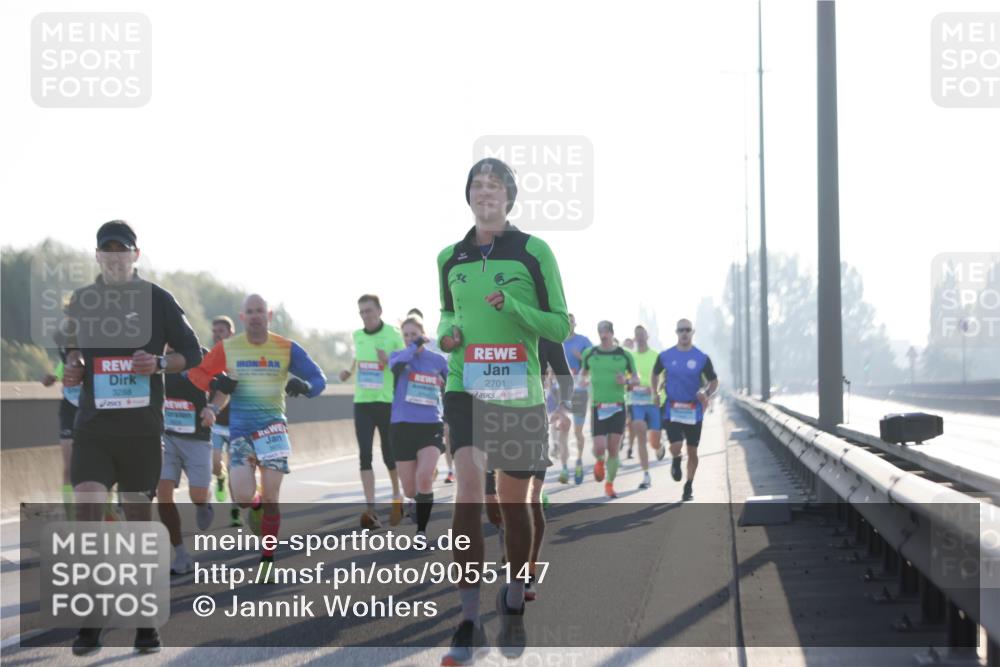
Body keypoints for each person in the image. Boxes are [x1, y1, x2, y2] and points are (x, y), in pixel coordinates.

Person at [437, 157, 570, 664]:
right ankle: (467, 617)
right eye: (477, 185)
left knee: (515, 505)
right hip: (465, 385)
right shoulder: (449, 256)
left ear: (509, 197)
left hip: (518, 393)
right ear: (468, 196)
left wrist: (511, 308)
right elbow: (449, 315)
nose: (484, 192)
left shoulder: (534, 251)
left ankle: (515, 588)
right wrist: (448, 335)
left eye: (494, 186)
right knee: (469, 496)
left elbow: (558, 325)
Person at [61, 220, 203, 656]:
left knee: (139, 528)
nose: (116, 257)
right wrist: (74, 366)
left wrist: (159, 365)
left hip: (141, 433)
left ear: (136, 256)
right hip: (94, 430)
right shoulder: (83, 302)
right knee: (87, 515)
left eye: (123, 250)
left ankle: (146, 622)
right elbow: (69, 349)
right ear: (99, 256)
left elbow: (192, 355)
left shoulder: (159, 300)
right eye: (108, 250)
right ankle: (91, 621)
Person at [187, 294, 327, 581]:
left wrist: (306, 386)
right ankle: (254, 506)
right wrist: (215, 382)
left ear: (269, 315)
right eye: (249, 312)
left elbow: (319, 378)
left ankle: (267, 559)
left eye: (259, 311)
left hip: (273, 430)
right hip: (241, 433)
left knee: (273, 496)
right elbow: (197, 374)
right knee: (242, 496)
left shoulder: (286, 348)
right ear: (242, 317)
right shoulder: (229, 347)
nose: (255, 316)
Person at [339, 295, 405, 529]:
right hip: (363, 402)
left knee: (389, 454)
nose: (366, 315)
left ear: (379, 310)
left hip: (386, 402)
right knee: (364, 454)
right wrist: (348, 371)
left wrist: (389, 361)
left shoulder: (394, 335)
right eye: (362, 312)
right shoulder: (357, 335)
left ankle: (397, 496)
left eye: (369, 310)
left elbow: (404, 365)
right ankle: (370, 508)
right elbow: (358, 358)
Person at [388, 315, 448, 540]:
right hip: (403, 427)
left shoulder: (438, 360)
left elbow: (452, 385)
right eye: (406, 335)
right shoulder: (398, 357)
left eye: (414, 334)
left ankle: (421, 531)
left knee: (424, 478)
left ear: (423, 333)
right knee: (410, 489)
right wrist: (412, 348)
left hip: (430, 425)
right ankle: (414, 500)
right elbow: (396, 366)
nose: (410, 339)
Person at [158, 346, 215, 574]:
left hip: (197, 438)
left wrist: (212, 407)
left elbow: (223, 389)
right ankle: (181, 553)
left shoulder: (199, 354)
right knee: (163, 494)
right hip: (167, 436)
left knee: (197, 495)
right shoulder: (155, 357)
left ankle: (204, 502)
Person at [650, 319, 719, 501]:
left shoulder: (701, 358)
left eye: (687, 330)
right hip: (672, 408)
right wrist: (655, 392)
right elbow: (655, 373)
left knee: (693, 451)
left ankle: (688, 485)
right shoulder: (666, 356)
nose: (684, 333)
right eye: (681, 330)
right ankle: (675, 459)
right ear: (676, 332)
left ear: (692, 332)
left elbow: (714, 381)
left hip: (693, 410)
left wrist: (706, 392)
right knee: (675, 446)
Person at [580, 321, 637, 499]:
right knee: (599, 447)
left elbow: (635, 379)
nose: (603, 336)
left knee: (613, 449)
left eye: (605, 332)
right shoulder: (590, 353)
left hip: (618, 407)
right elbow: (583, 374)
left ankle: (610, 485)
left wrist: (626, 381)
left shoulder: (624, 354)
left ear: (612, 333)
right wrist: (583, 381)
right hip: (598, 406)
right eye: (600, 332)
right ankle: (599, 462)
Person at [207, 315, 242, 527]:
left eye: (221, 331)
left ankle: (235, 512)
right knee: (214, 465)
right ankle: (218, 479)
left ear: (230, 333)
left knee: (234, 471)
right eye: (214, 331)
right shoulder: (209, 357)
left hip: (237, 424)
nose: (216, 334)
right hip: (216, 423)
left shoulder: (239, 356)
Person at [40, 331, 78, 517]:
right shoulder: (64, 339)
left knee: (102, 467)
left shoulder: (96, 338)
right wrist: (53, 377)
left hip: (95, 409)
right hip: (70, 408)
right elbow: (63, 366)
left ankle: (107, 507)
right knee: (69, 465)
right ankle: (70, 511)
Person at [628, 325, 666, 490]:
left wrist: (656, 390)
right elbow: (626, 378)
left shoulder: (656, 356)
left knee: (653, 442)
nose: (640, 337)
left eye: (642, 334)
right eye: (637, 335)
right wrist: (629, 382)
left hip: (653, 403)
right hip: (636, 402)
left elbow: (664, 379)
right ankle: (646, 474)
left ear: (647, 336)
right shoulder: (630, 357)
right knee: (640, 432)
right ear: (635, 338)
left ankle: (659, 446)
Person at [562, 314, 593, 485]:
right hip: (561, 390)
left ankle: (579, 461)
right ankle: (565, 467)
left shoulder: (583, 341)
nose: (569, 324)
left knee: (577, 431)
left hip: (580, 389)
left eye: (571, 321)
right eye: (566, 321)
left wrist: (580, 358)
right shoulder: (556, 341)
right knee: (563, 429)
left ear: (575, 324)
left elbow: (594, 361)